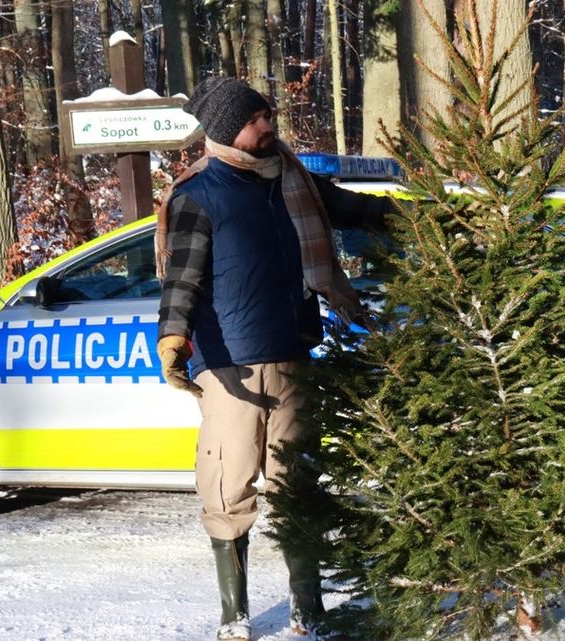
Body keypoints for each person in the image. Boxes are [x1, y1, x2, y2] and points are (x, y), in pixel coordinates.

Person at [155, 76, 394, 641]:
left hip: (292, 354)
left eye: (268, 114)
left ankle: (307, 609)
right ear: (226, 129)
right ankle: (234, 614)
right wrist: (173, 339)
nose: (269, 125)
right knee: (227, 485)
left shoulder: (292, 180)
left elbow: (349, 209)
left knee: (296, 485)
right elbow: (182, 280)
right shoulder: (198, 194)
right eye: (257, 117)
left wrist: (413, 218)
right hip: (230, 368)